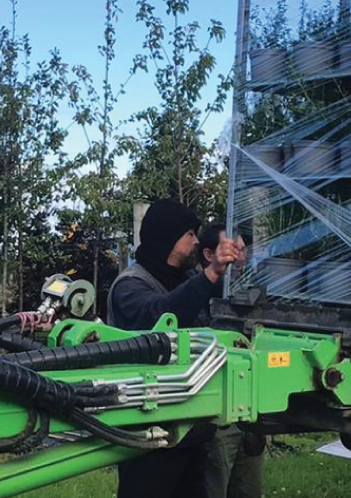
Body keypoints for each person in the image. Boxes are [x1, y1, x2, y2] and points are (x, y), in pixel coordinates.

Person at [105, 199, 238, 498]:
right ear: (167, 237)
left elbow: (216, 302)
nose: (196, 242)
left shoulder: (186, 279)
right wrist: (212, 272)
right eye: (189, 234)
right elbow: (161, 316)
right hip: (147, 430)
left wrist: (233, 269)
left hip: (189, 428)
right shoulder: (130, 286)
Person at [198, 222, 265, 498]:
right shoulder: (201, 291)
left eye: (242, 249)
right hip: (218, 412)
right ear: (208, 255)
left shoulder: (250, 289)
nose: (240, 256)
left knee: (248, 486)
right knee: (214, 484)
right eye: (232, 249)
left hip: (250, 408)